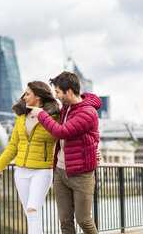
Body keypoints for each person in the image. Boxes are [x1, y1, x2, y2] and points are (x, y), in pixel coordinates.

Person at [27, 71, 102, 234]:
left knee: (83, 220)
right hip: (61, 173)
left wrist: (40, 114)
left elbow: (62, 132)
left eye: (58, 92)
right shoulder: (66, 108)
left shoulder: (87, 112)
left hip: (81, 175)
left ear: (68, 92)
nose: (56, 96)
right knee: (65, 222)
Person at [0, 81, 60, 234]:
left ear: (39, 96)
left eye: (28, 93)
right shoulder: (21, 117)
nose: (24, 97)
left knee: (33, 210)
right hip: (21, 171)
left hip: (42, 171)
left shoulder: (54, 117)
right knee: (30, 214)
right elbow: (12, 146)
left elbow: (64, 137)